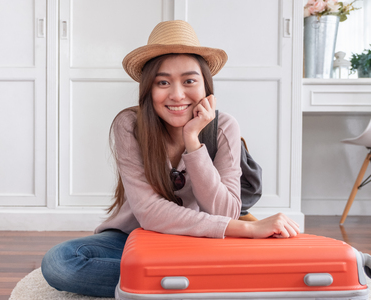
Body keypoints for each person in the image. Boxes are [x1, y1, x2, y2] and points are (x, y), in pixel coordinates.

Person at [41, 20, 300, 298]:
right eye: (163, 82)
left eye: (189, 80)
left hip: (201, 239)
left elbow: (224, 213)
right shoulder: (129, 125)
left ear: (205, 86)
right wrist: (247, 231)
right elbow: (149, 213)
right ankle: (198, 280)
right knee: (61, 263)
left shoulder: (224, 126)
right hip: (132, 235)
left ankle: (169, 281)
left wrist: (193, 142)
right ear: (148, 89)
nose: (177, 95)